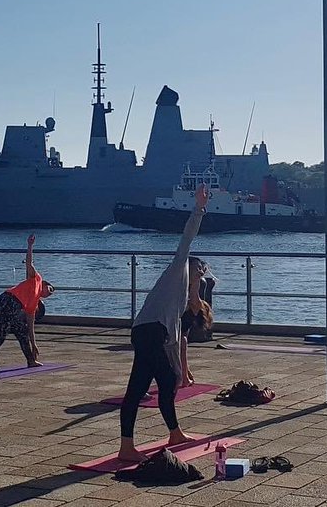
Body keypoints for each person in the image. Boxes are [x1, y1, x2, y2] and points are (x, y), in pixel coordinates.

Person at [118, 185, 208, 462]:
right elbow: (187, 238)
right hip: (149, 331)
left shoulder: (182, 298)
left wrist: (181, 369)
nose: (202, 271)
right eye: (200, 268)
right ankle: (167, 435)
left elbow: (175, 335)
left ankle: (140, 443)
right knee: (164, 380)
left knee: (142, 386)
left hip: (150, 332)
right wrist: (199, 207)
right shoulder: (177, 270)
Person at [0, 234, 54, 370]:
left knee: (22, 331)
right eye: (50, 288)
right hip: (7, 300)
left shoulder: (33, 305)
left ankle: (31, 360)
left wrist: (34, 344)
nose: (50, 292)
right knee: (0, 333)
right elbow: (29, 263)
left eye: (50, 294)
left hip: (13, 307)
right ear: (44, 283)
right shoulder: (35, 279)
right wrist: (30, 245)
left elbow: (31, 327)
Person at [180, 259, 214, 387]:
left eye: (201, 268)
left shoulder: (194, 301)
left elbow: (194, 293)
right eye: (196, 268)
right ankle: (183, 375)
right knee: (181, 341)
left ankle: (183, 375)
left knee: (182, 341)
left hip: (180, 330)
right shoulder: (182, 291)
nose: (199, 271)